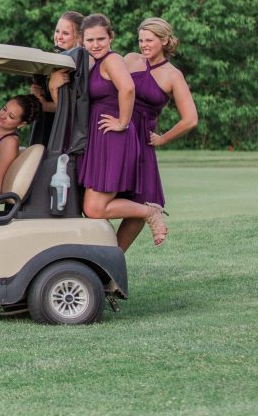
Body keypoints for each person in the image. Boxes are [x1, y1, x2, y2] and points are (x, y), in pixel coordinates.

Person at [52, 14, 168, 241]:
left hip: (113, 139)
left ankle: (149, 211)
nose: (96, 45)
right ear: (82, 41)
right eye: (90, 40)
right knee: (93, 209)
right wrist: (55, 86)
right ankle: (104, 255)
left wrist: (123, 122)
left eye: (101, 39)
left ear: (111, 38)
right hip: (99, 140)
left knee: (95, 208)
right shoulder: (93, 63)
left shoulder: (112, 60)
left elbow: (128, 89)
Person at [115, 18, 197, 251]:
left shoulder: (173, 75)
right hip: (116, 132)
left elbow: (190, 119)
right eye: (141, 40)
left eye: (149, 40)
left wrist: (162, 138)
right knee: (103, 197)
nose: (144, 45)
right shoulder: (129, 59)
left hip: (142, 141)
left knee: (140, 200)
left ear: (163, 41)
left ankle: (113, 262)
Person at [30, 10, 84, 113]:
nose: (59, 37)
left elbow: (74, 111)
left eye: (65, 33)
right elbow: (57, 107)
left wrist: (53, 88)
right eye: (57, 31)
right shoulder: (57, 60)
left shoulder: (84, 64)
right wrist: (41, 97)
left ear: (79, 37)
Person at [0, 95, 42, 189]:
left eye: (11, 116)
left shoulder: (9, 143)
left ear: (21, 124)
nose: (3, 116)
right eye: (4, 109)